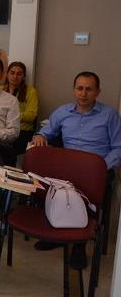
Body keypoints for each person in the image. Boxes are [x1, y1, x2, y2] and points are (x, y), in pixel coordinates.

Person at [31, 71, 121, 264]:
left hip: (96, 169)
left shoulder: (109, 115)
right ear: (74, 90)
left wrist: (101, 167)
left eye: (89, 89)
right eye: (80, 88)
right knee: (43, 180)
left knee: (86, 190)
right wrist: (40, 136)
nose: (83, 93)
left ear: (97, 92)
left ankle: (80, 243)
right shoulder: (63, 112)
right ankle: (55, 232)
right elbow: (45, 132)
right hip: (68, 167)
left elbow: (118, 147)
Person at [2, 61, 38, 155]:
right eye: (12, 73)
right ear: (7, 74)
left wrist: (12, 116)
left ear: (24, 76)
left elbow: (31, 115)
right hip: (1, 128)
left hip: (21, 130)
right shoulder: (0, 89)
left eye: (19, 74)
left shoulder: (30, 91)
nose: (15, 76)